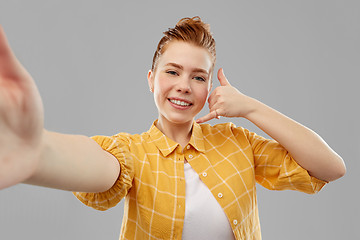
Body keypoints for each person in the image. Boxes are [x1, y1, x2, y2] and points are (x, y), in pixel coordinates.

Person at [0, 16, 346, 240]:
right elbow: (97, 166)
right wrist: (37, 153)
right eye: (172, 71)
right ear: (151, 79)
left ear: (209, 88)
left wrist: (251, 108)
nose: (184, 85)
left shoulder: (238, 143)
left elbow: (331, 168)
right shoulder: (133, 153)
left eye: (198, 77)